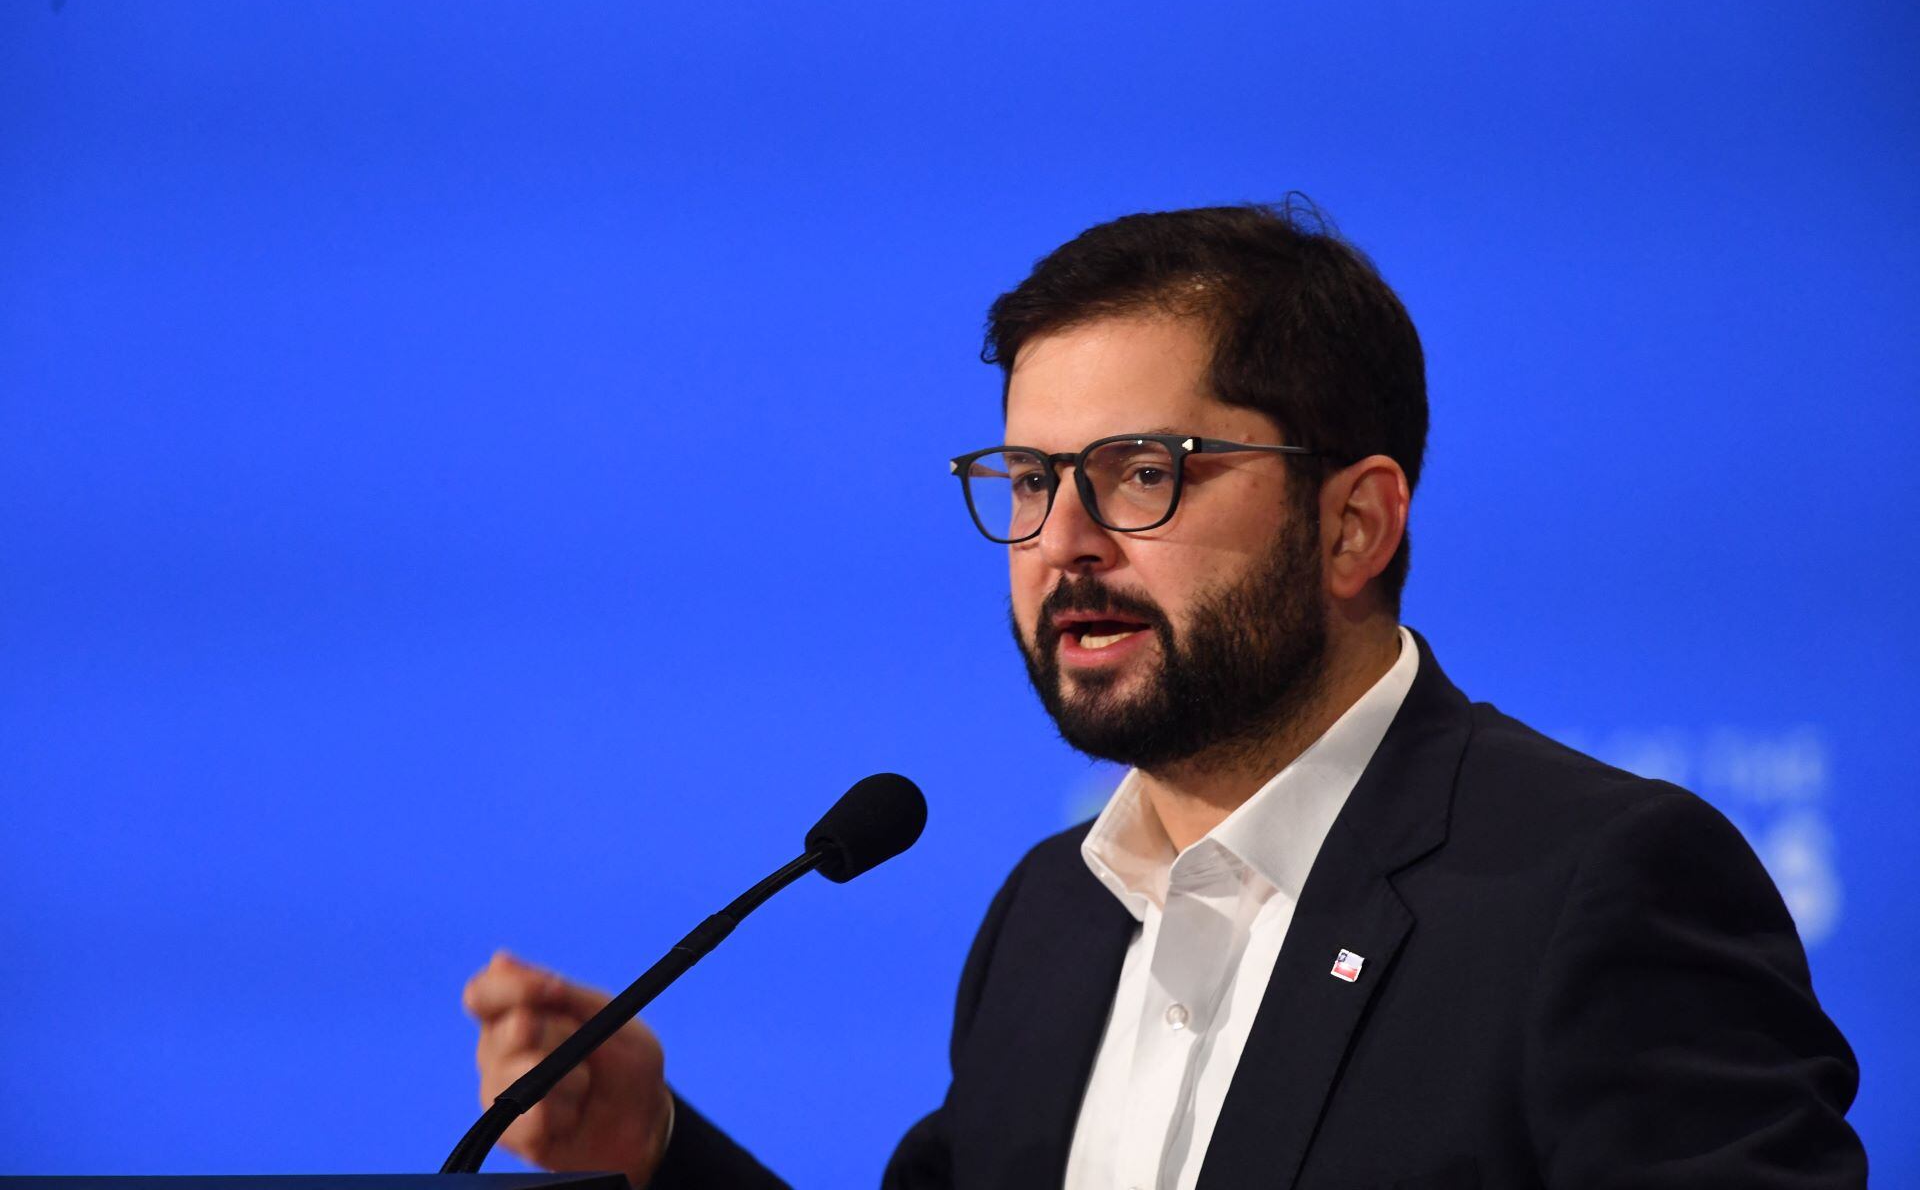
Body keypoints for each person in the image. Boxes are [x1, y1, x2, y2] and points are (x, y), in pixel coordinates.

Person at [463, 203, 1866, 1188]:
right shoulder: (1049, 921)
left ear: (1355, 524)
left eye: (1143, 473)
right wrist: (654, 1152)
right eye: (1029, 481)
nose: (1062, 542)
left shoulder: (1596, 890)